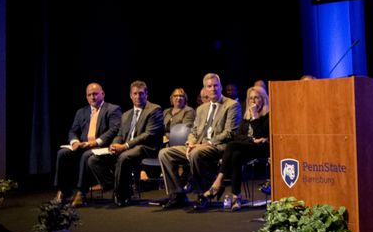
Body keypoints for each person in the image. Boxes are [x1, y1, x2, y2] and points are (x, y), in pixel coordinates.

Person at [157, 73, 241, 209]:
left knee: (196, 153)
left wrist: (203, 144)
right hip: (197, 145)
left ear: (221, 87)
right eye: (209, 86)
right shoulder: (202, 108)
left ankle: (203, 195)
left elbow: (230, 133)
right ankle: (177, 194)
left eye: (215, 86)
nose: (213, 89)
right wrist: (190, 143)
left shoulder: (232, 105)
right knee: (164, 153)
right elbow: (194, 131)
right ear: (205, 89)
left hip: (218, 146)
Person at [87, 81, 164, 206]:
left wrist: (125, 146)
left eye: (141, 93)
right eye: (135, 94)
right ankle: (115, 187)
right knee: (93, 160)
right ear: (130, 95)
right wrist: (114, 145)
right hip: (126, 147)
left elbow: (147, 135)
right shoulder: (126, 115)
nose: (138, 96)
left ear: (146, 94)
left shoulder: (154, 110)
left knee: (124, 156)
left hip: (147, 147)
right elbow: (120, 135)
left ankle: (120, 194)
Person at [200, 85, 270, 210]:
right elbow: (238, 137)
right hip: (248, 148)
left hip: (263, 150)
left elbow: (261, 136)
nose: (253, 101)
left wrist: (254, 116)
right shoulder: (246, 117)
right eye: (251, 98)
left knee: (231, 146)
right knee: (235, 155)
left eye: (257, 98)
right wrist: (252, 140)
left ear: (263, 99)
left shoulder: (267, 116)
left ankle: (218, 182)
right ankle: (236, 198)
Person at [53, 83, 122, 206]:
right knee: (62, 153)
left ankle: (81, 192)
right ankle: (62, 191)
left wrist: (94, 143)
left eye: (95, 94)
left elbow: (114, 130)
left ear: (103, 94)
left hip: (103, 147)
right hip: (84, 145)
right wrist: (75, 142)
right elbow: (73, 131)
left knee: (86, 155)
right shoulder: (81, 112)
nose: (92, 97)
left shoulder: (112, 109)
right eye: (89, 95)